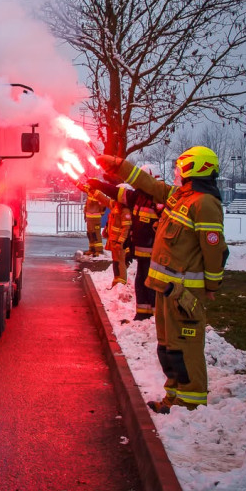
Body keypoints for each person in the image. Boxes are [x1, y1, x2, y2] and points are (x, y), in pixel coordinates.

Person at [99, 146, 228, 413]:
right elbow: (148, 185)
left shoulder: (204, 204)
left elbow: (213, 248)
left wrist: (212, 286)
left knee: (185, 348)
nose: (176, 172)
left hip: (184, 292)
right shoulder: (181, 197)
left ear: (196, 168)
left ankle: (191, 403)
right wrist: (118, 165)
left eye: (181, 167)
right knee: (168, 347)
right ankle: (174, 398)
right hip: (167, 289)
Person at [89, 165, 163, 320]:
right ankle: (142, 314)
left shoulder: (160, 201)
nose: (138, 184)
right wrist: (99, 185)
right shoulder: (139, 197)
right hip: (142, 251)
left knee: (153, 284)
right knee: (141, 281)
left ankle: (156, 314)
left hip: (156, 252)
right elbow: (117, 193)